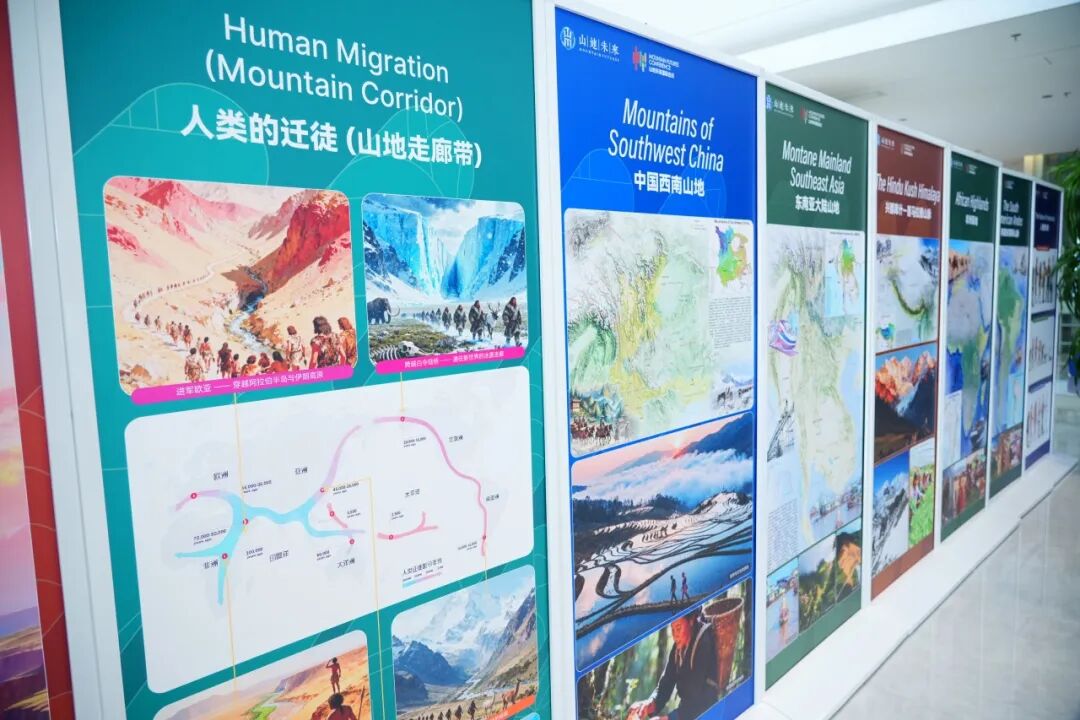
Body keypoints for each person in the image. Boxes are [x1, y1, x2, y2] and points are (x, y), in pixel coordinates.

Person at [627, 611, 721, 720]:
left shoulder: (704, 642)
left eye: (678, 628)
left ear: (691, 621)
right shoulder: (678, 649)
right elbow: (666, 683)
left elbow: (702, 699)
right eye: (672, 629)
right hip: (686, 712)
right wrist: (649, 705)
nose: (675, 635)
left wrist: (669, 718)